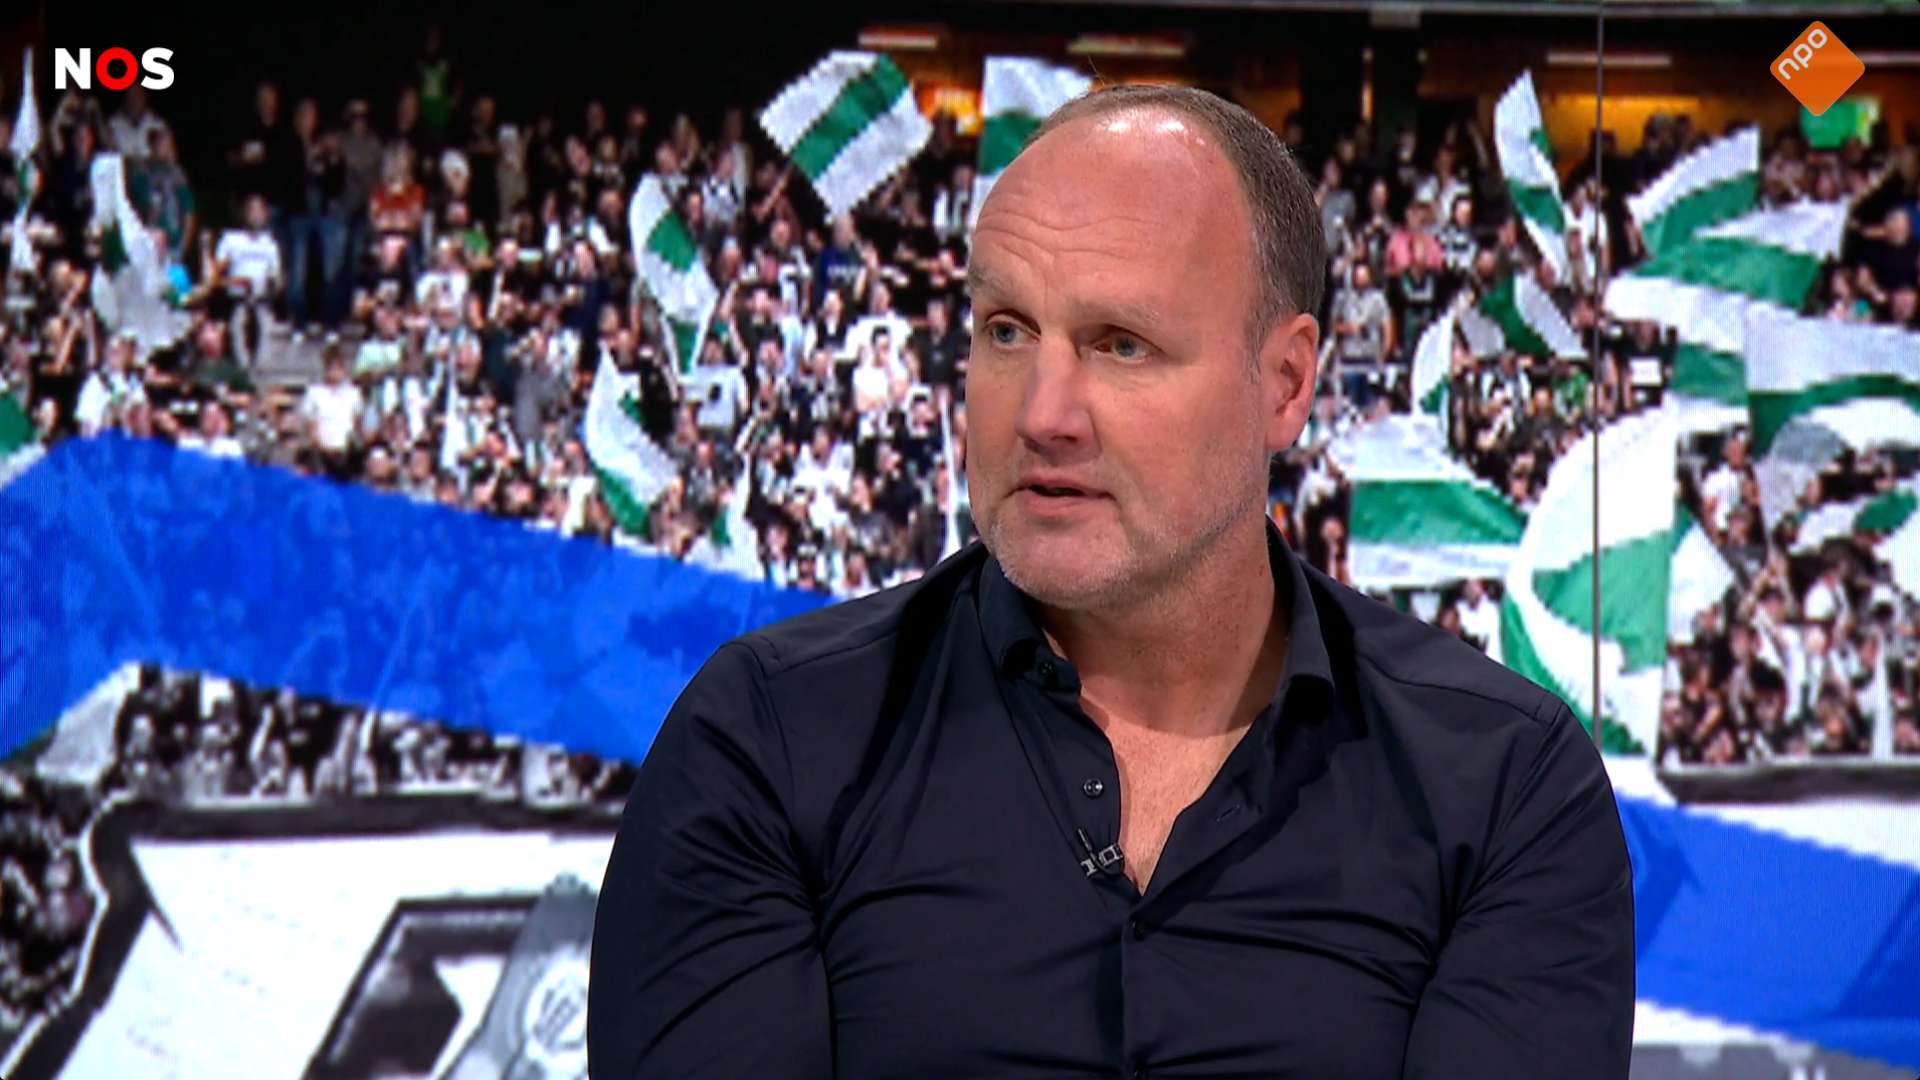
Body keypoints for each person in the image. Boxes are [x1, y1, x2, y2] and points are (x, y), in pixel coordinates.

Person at [590, 85, 1633, 1078]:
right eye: (1006, 331)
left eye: (1121, 345)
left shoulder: (1503, 786)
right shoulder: (768, 741)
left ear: (1285, 383)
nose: (1042, 413)